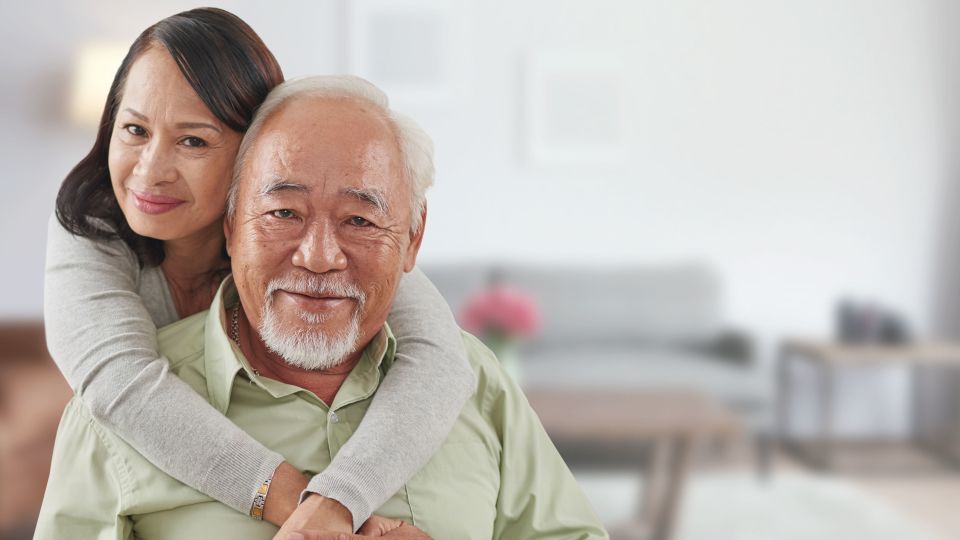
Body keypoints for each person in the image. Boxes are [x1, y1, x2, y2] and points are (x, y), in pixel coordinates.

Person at [36, 74, 608, 540]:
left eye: (360, 220)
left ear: (412, 240)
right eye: (284, 212)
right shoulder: (110, 418)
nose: (318, 257)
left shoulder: (475, 380)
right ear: (231, 226)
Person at [43, 8, 475, 534]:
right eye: (134, 129)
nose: (150, 170)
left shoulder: (307, 243)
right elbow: (119, 384)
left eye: (194, 141)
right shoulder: (88, 226)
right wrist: (317, 514)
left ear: (259, 153)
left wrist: (340, 499)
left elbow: (440, 360)